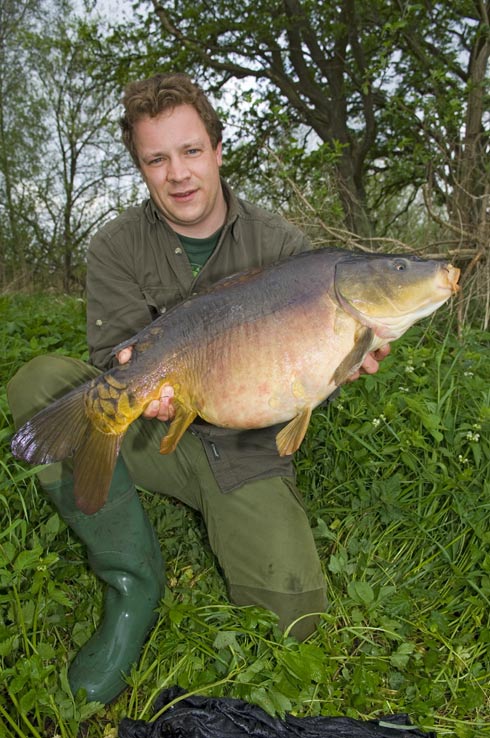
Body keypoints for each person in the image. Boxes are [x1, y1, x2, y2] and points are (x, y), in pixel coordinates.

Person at [7, 73, 390, 705]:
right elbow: (113, 361)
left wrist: (341, 365)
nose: (178, 174)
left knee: (295, 621)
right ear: (141, 167)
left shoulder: (284, 247)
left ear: (216, 149)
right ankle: (132, 582)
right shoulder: (115, 246)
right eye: (157, 159)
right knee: (44, 385)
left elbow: (304, 377)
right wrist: (144, 389)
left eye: (190, 151)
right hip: (154, 425)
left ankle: (226, 515)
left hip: (246, 444)